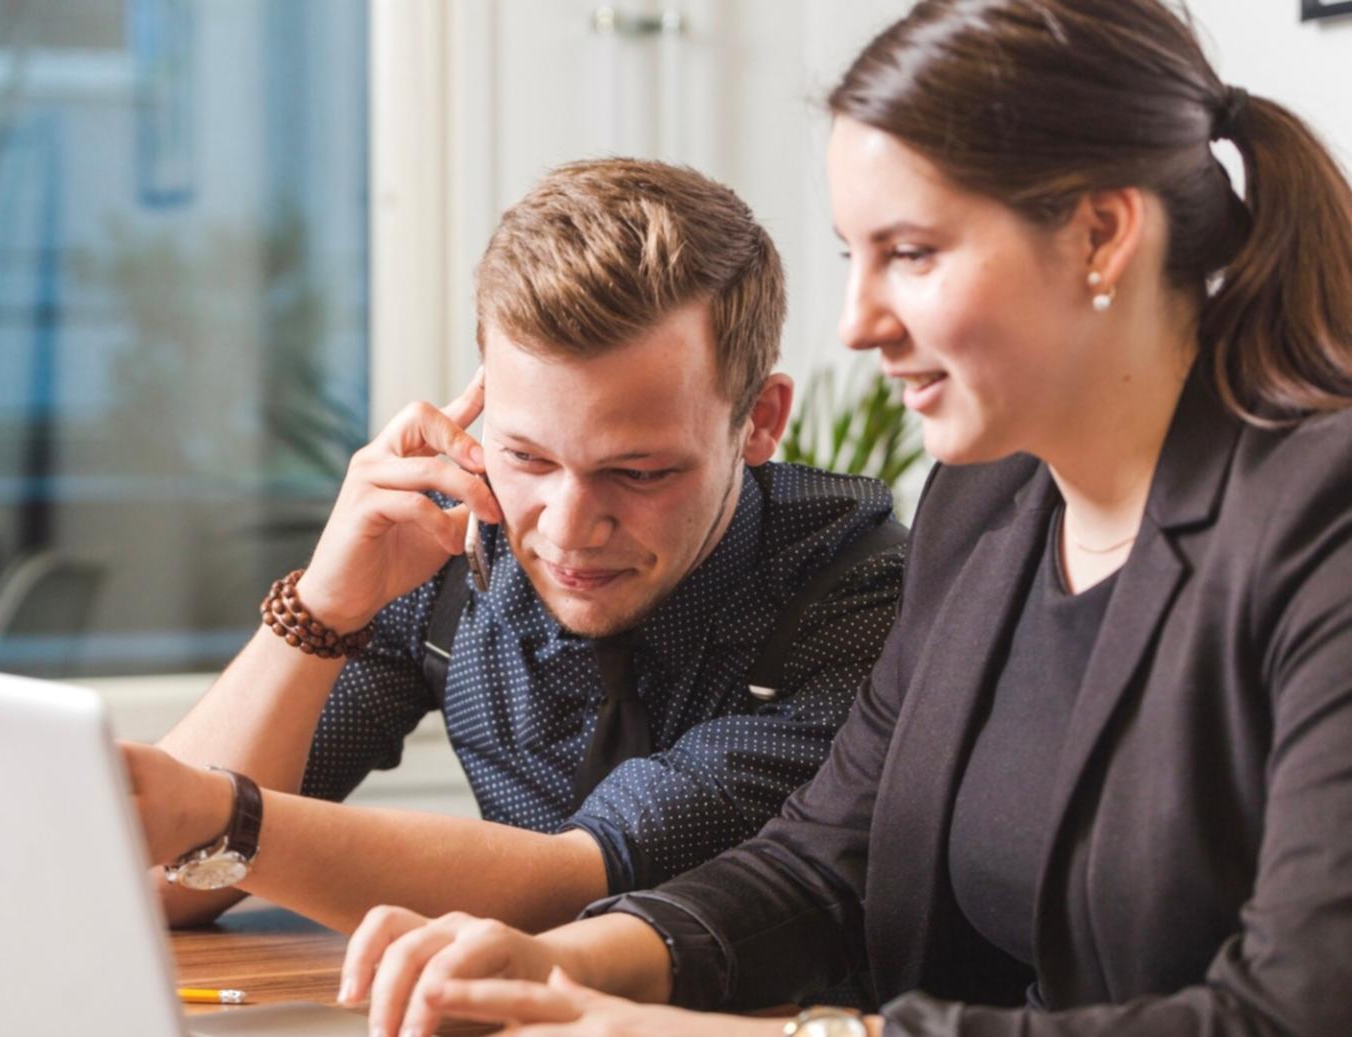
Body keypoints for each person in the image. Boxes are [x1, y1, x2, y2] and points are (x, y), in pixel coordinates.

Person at [336, 2, 1352, 1035]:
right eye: (851, 259)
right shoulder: (985, 504)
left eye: (909, 253)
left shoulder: (1324, 520)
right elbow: (828, 855)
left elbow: (1294, 1010)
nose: (857, 323)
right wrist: (562, 964)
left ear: (1100, 232)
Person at [122, 159, 904, 936]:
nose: (565, 527)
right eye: (527, 456)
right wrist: (322, 607)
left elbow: (580, 887)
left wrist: (220, 815)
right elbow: (162, 885)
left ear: (760, 419)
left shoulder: (861, 598)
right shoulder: (452, 546)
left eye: (637, 471)